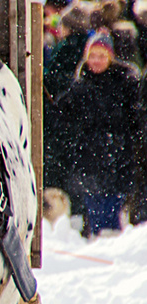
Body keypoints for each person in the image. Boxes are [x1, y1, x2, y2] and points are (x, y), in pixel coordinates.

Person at [57, 28, 143, 237]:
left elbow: (135, 118)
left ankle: (112, 247)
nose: (96, 61)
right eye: (92, 56)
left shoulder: (125, 82)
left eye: (101, 56)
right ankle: (98, 244)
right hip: (89, 158)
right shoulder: (80, 85)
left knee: (113, 207)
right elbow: (65, 116)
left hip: (117, 155)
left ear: (110, 57)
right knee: (94, 206)